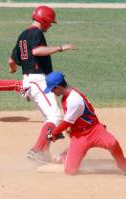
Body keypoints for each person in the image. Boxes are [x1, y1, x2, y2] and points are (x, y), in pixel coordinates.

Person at [7, 5, 75, 163]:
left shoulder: (23, 35)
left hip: (30, 80)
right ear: (44, 20)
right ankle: (37, 150)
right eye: (50, 22)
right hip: (37, 80)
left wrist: (13, 69)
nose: (50, 25)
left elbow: (11, 61)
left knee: (49, 118)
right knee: (55, 116)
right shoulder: (35, 33)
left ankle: (43, 153)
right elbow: (36, 51)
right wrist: (60, 48)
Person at [44, 71, 126, 176]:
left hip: (95, 130)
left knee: (112, 143)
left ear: (58, 86)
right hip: (79, 137)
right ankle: (65, 156)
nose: (52, 92)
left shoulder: (74, 99)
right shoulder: (66, 97)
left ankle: (124, 166)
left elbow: (67, 122)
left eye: (52, 89)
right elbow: (75, 119)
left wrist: (53, 133)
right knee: (70, 171)